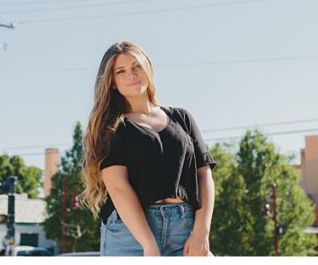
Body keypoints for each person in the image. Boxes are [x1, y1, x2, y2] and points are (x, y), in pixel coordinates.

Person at [80, 42, 216, 256]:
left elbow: (203, 173)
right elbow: (118, 187)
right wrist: (149, 245)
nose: (131, 75)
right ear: (112, 82)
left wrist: (201, 231)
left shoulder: (182, 118)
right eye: (121, 71)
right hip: (130, 233)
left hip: (185, 229)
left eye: (136, 66)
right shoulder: (112, 126)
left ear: (148, 67)